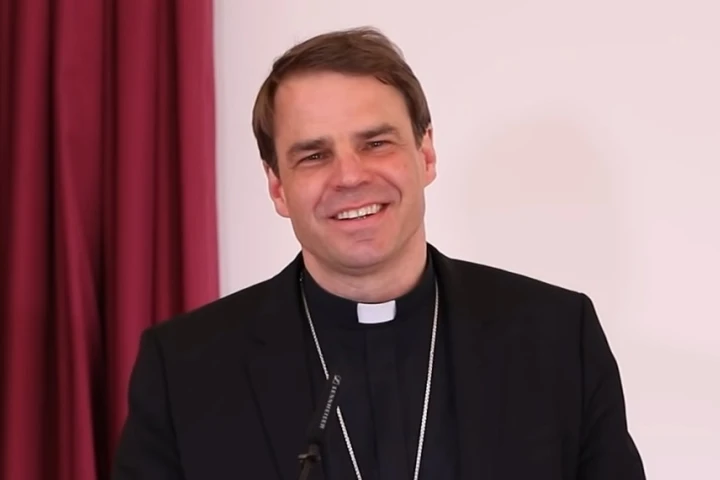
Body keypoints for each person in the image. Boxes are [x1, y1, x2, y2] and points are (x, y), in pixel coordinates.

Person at [111, 27, 646, 480]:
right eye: (314, 155)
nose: (350, 176)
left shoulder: (557, 338)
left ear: (425, 154)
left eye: (375, 143)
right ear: (277, 188)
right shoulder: (184, 371)